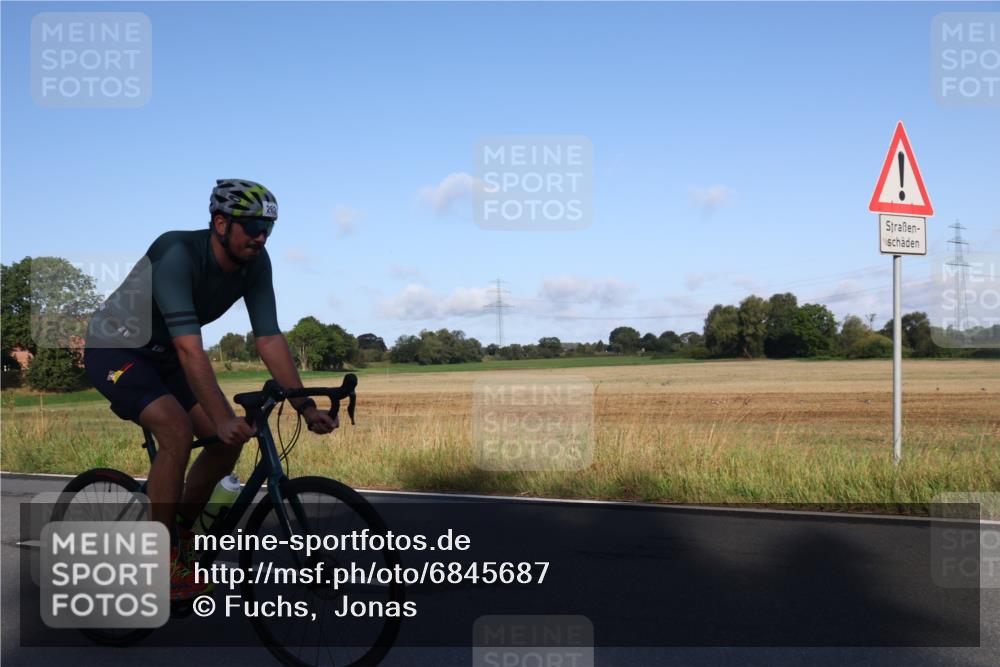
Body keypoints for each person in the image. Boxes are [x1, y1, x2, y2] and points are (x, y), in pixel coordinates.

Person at [83, 179, 338, 600]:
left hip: (164, 356)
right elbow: (190, 350)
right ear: (220, 223)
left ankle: (180, 535)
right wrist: (219, 416)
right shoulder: (176, 253)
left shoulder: (256, 263)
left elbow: (269, 338)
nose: (261, 236)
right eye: (253, 225)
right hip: (116, 349)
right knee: (177, 431)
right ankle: (159, 559)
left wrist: (305, 406)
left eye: (269, 228)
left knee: (227, 443)